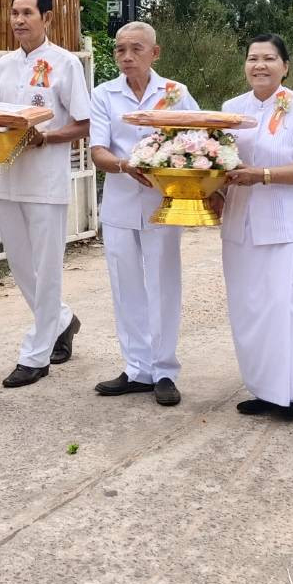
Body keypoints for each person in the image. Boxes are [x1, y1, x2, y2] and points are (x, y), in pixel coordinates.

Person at [88, 22, 199, 407]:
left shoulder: (175, 93)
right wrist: (122, 166)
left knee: (163, 283)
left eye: (136, 49)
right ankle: (137, 368)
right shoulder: (104, 94)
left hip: (162, 203)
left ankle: (165, 369)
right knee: (126, 285)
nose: (127, 56)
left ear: (156, 52)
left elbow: (199, 138)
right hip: (119, 201)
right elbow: (97, 149)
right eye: (120, 50)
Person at [218, 35, 293, 419]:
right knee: (248, 309)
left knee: (282, 308)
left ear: (285, 66)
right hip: (240, 223)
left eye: (269, 59)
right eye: (252, 58)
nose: (259, 65)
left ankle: (290, 394)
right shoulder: (231, 110)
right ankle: (264, 388)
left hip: (287, 225)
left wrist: (262, 175)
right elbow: (220, 163)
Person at [0, 0, 92, 388]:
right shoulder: (2, 66)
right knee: (20, 268)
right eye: (14, 12)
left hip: (46, 182)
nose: (18, 20)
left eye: (27, 13)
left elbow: (84, 124)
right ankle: (62, 320)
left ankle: (36, 354)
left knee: (46, 271)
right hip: (7, 178)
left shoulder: (65, 64)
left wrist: (45, 137)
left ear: (47, 18)